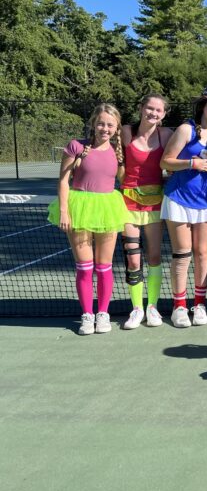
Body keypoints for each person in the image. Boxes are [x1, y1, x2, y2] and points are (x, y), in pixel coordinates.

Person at [48, 104, 128, 335]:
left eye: (110, 125)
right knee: (85, 267)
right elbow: (63, 181)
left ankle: (103, 313)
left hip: (108, 208)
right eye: (101, 123)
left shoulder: (118, 152)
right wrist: (64, 211)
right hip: (79, 208)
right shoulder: (76, 146)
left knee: (104, 267)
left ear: (116, 128)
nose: (105, 128)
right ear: (93, 123)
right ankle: (87, 315)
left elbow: (124, 180)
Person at [160, 84, 207, 328]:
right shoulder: (185, 129)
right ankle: (179, 306)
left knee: (202, 254)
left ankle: (199, 304)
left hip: (206, 201)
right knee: (182, 254)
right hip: (178, 199)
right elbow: (164, 162)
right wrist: (191, 163)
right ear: (202, 106)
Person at [120, 94, 173, 329]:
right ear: (141, 108)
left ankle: (152, 307)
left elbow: (176, 158)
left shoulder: (167, 135)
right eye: (149, 108)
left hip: (155, 203)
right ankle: (136, 309)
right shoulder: (125, 132)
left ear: (163, 115)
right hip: (127, 203)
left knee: (153, 257)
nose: (153, 113)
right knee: (132, 259)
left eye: (158, 110)